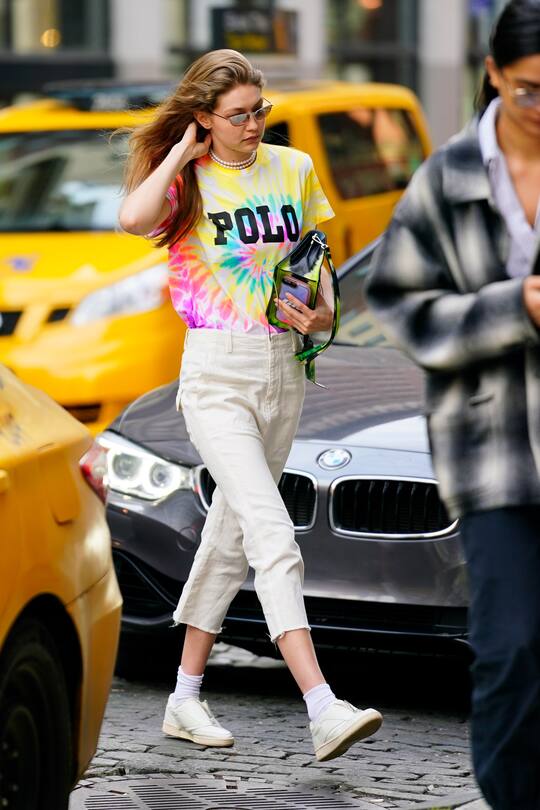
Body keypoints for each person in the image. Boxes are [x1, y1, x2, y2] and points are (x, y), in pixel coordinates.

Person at [119, 49, 383, 762]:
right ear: (204, 118)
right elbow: (132, 218)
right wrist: (180, 153)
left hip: (283, 371)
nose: (254, 124)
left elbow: (316, 267)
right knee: (271, 531)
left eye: (259, 110)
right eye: (237, 115)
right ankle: (322, 705)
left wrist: (321, 316)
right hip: (216, 376)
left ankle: (183, 696)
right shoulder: (187, 182)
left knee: (230, 535)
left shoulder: (293, 168)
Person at [365, 2, 540, 807]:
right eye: (530, 90)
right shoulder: (449, 177)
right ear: (494, 74)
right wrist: (512, 308)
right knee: (511, 648)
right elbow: (398, 303)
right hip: (491, 453)